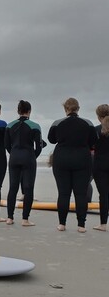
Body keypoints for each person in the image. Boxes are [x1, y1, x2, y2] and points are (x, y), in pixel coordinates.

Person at [48, 98, 97, 233]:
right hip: (82, 159)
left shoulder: (57, 123)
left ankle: (62, 224)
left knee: (63, 193)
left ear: (65, 109)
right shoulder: (88, 123)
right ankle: (81, 225)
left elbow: (52, 140)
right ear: (78, 109)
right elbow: (93, 141)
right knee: (80, 193)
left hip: (62, 159)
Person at [4, 100, 42, 226]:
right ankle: (25, 219)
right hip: (28, 158)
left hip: (14, 157)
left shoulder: (9, 125)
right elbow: (39, 146)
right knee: (28, 188)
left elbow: (6, 145)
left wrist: (13, 153)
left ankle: (10, 218)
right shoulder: (35, 126)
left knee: (13, 188)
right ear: (29, 111)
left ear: (18, 111)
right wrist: (33, 156)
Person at [92, 104, 109, 231]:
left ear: (98, 117)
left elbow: (90, 147)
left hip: (99, 165)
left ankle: (103, 224)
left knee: (103, 195)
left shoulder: (96, 130)